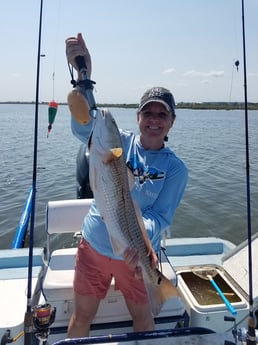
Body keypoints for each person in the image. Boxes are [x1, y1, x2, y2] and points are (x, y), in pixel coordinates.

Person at [65, 33, 188, 338]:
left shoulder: (175, 169)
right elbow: (85, 122)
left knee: (144, 318)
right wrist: (84, 77)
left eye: (162, 114)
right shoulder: (118, 145)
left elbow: (160, 218)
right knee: (81, 316)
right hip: (93, 245)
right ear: (138, 117)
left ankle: (157, 289)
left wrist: (138, 242)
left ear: (172, 121)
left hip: (135, 257)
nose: (154, 120)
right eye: (148, 112)